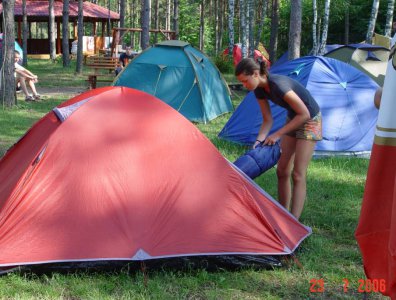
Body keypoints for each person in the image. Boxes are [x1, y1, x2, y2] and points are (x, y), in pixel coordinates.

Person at [235, 58, 322, 219]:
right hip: (294, 117)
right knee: (282, 171)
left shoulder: (279, 85)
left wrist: (277, 134)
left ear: (255, 74)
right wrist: (258, 142)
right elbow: (268, 119)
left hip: (310, 120)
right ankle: (283, 214)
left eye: (245, 81)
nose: (244, 86)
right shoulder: (259, 90)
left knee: (297, 173)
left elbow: (305, 114)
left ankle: (294, 222)